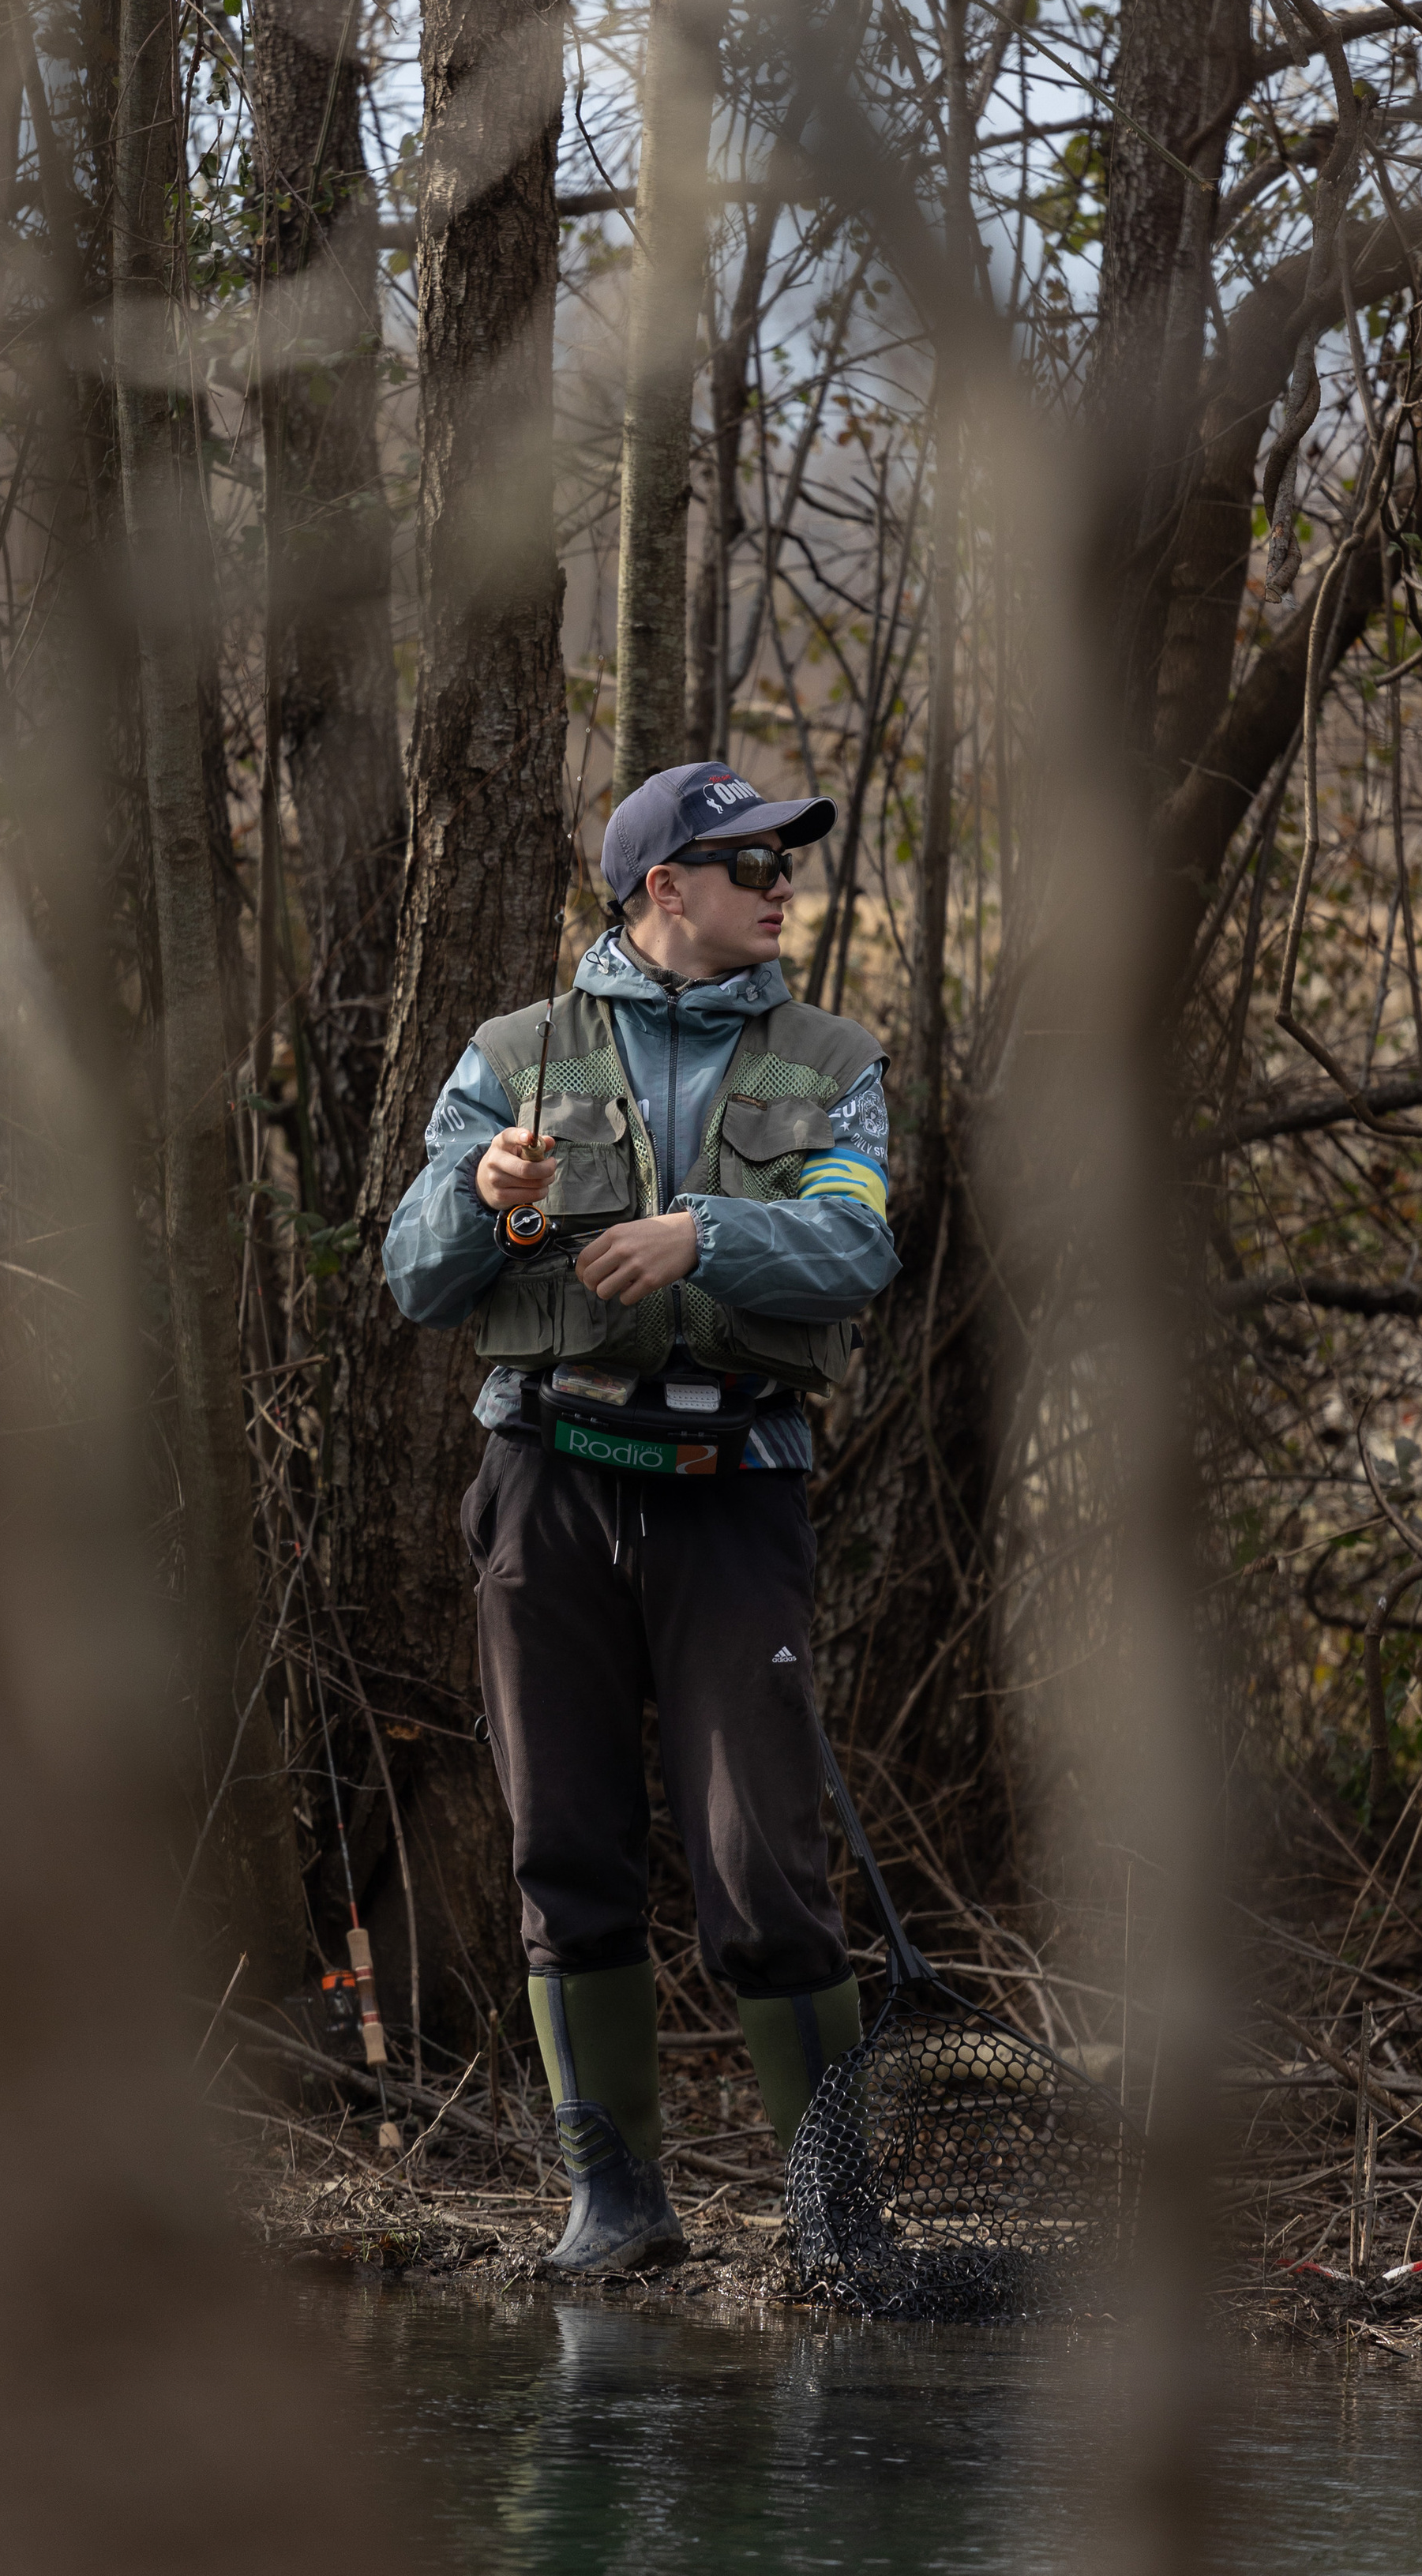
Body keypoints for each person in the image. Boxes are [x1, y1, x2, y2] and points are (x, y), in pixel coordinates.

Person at [381, 760, 901, 2274]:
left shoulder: (833, 1057)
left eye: (787, 859)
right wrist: (486, 1190)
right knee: (565, 1847)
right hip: (547, 1485)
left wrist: (707, 1236)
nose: (781, 882)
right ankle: (614, 2206)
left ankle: (837, 2221)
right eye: (750, 862)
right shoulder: (512, 1054)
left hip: (737, 1492)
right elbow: (419, 1275)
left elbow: (857, 1244)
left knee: (766, 1873)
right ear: (661, 888)